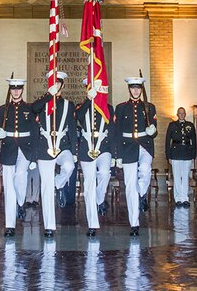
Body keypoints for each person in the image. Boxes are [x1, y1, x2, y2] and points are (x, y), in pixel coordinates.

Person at [30, 73, 76, 236]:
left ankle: (60, 183)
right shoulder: (42, 102)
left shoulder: (69, 105)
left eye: (59, 84)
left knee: (69, 166)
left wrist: (74, 150)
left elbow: (72, 127)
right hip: (44, 147)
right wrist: (49, 95)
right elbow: (32, 109)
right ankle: (49, 226)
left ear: (62, 86)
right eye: (53, 83)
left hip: (62, 145)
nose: (56, 86)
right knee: (46, 187)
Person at [113, 76, 156, 236]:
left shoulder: (149, 107)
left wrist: (153, 131)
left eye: (138, 88)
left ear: (141, 89)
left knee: (145, 169)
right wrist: (117, 155)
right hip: (127, 147)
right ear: (129, 89)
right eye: (133, 88)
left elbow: (154, 127)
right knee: (130, 186)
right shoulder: (121, 108)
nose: (136, 90)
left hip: (145, 145)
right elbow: (116, 132)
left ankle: (142, 192)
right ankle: (134, 223)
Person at [0, 78, 35, 237]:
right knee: (8, 189)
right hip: (8, 149)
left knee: (20, 176)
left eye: (19, 89)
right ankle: (9, 225)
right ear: (10, 91)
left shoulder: (29, 108)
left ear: (22, 90)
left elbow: (34, 132)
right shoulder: (2, 109)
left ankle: (21, 202)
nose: (16, 91)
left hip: (24, 150)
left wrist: (34, 157)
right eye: (13, 89)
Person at [75, 79, 113, 237]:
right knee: (89, 185)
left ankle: (100, 197)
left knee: (104, 173)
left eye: (98, 87)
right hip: (86, 147)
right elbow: (78, 116)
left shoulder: (108, 108)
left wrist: (116, 154)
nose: (96, 90)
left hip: (104, 146)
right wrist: (88, 100)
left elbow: (113, 130)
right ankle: (92, 224)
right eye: (92, 87)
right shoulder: (82, 107)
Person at [165, 107, 196, 207]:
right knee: (177, 177)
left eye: (183, 113)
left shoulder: (190, 125)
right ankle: (178, 199)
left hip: (187, 153)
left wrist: (193, 155)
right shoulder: (172, 125)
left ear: (185, 114)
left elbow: (194, 141)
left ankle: (185, 198)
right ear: (177, 114)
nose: (181, 115)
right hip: (175, 153)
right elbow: (167, 141)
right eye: (180, 113)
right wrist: (168, 155)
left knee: (185, 176)